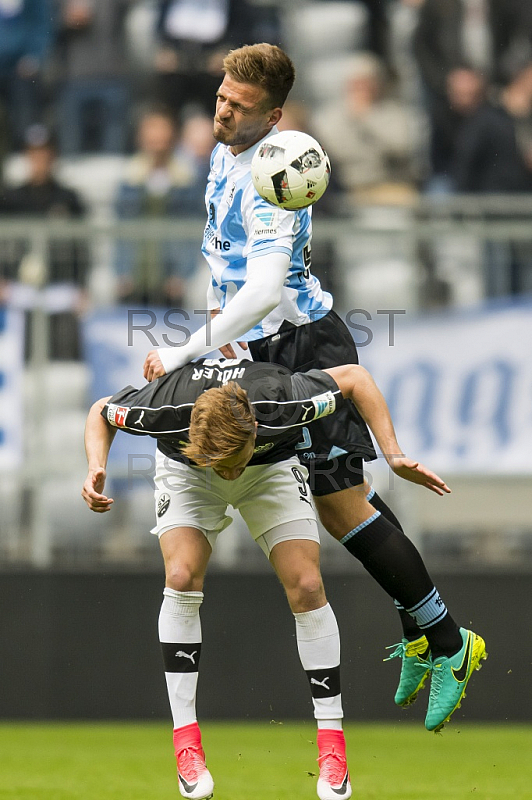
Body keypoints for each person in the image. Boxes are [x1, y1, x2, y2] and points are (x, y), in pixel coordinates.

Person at [141, 42, 486, 732]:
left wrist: (187, 345)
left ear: (271, 117)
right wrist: (219, 327)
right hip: (262, 343)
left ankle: (449, 642)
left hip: (300, 341)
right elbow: (230, 273)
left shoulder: (275, 177)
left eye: (238, 107)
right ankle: (430, 634)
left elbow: (266, 287)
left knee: (341, 507)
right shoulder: (225, 151)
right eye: (221, 98)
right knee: (343, 501)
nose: (223, 111)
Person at [82, 357, 484, 798]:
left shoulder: (283, 400)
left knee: (308, 585)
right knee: (180, 576)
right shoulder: (164, 407)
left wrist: (394, 455)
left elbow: (355, 377)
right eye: (224, 465)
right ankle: (186, 747)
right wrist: (94, 467)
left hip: (270, 470)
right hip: (189, 471)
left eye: (233, 462)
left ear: (255, 429)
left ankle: (333, 752)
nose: (228, 474)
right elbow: (101, 410)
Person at [0, 123, 89, 360]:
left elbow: (83, 247)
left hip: (59, 290)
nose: (40, 159)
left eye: (45, 153)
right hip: (18, 292)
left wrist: (82, 284)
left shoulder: (69, 199)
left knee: (65, 354)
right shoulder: (11, 199)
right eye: (34, 153)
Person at [113, 106, 203, 307]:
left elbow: (192, 230)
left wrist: (183, 273)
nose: (157, 146)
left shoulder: (186, 180)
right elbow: (120, 230)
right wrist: (121, 271)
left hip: (171, 276)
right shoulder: (129, 180)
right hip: (136, 272)